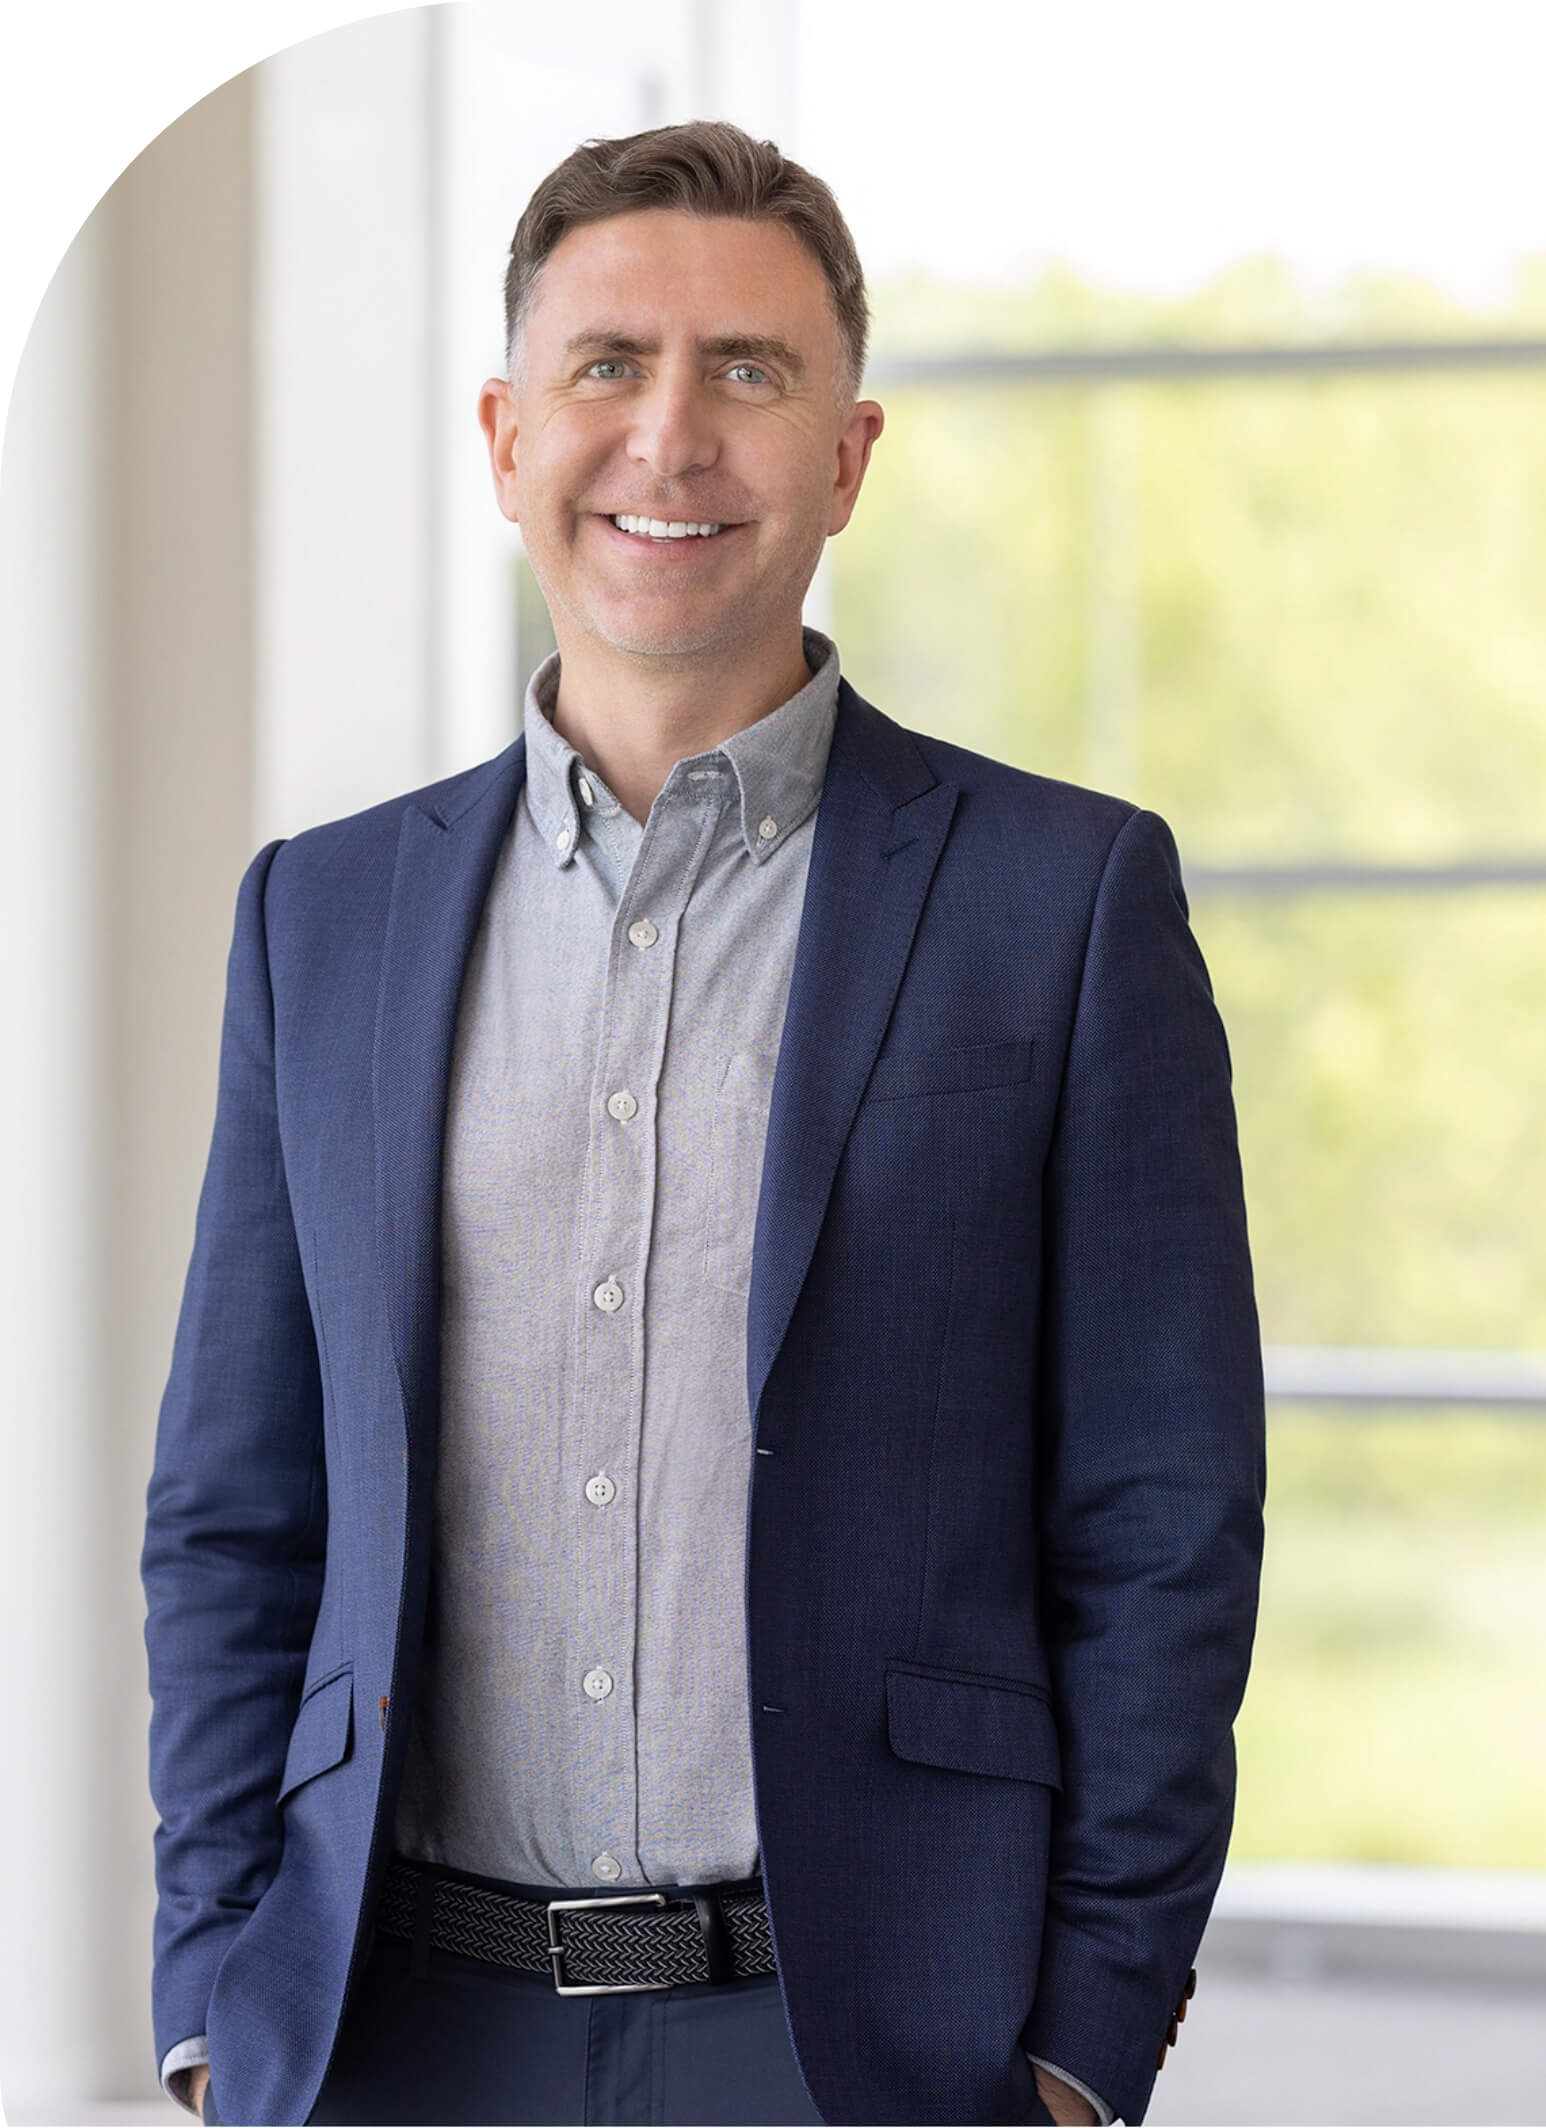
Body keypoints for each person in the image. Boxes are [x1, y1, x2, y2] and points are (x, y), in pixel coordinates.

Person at [142, 120, 1265, 2128]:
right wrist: (220, 1989)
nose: (670, 436)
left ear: (844, 456)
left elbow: (1163, 1517)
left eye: (747, 370)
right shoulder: (321, 917)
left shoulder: (1062, 900)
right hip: (390, 2033)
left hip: (867, 2043)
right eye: (607, 365)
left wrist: (1081, 2045)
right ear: (507, 437)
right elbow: (237, 1505)